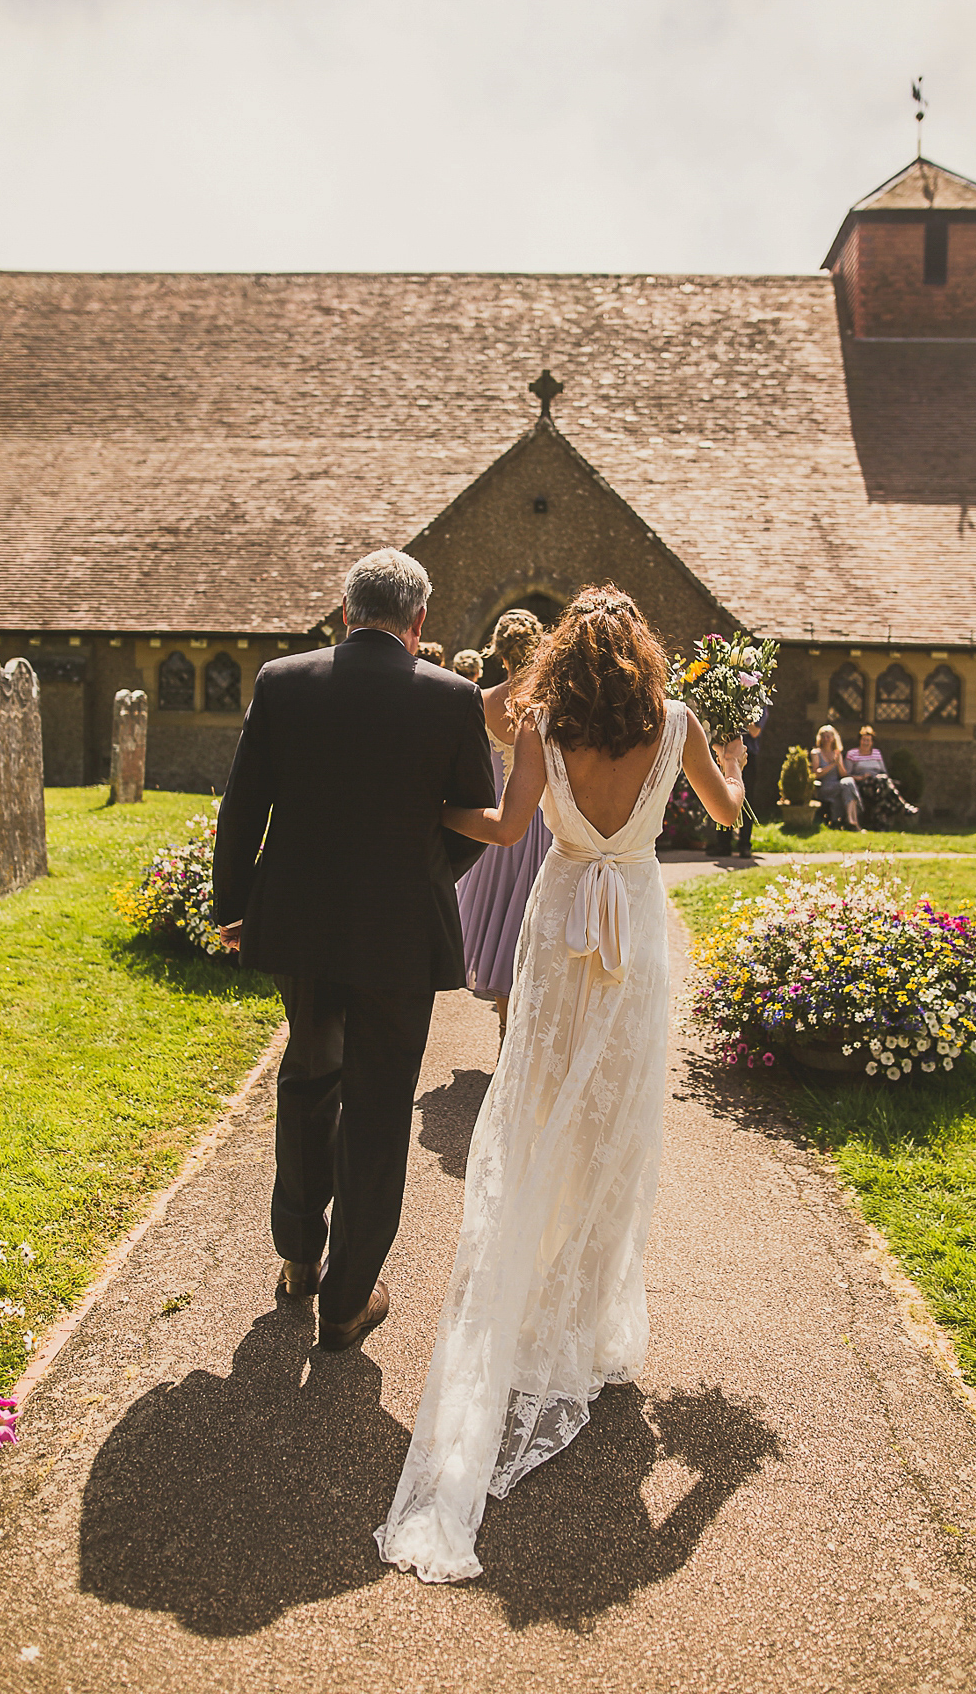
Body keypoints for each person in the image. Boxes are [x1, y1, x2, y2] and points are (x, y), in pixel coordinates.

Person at [376, 585, 746, 1583]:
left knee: (542, 1117)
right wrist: (736, 765)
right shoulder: (677, 724)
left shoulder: (540, 725)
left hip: (560, 927)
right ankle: (584, 1323)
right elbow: (728, 810)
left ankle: (539, 1305)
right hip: (634, 922)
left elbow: (505, 830)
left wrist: (431, 805)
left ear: (561, 664)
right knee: (617, 1128)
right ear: (642, 658)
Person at [212, 550, 494, 1352]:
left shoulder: (282, 682)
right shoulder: (453, 698)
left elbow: (244, 806)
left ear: (344, 613)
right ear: (420, 622)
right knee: (378, 1104)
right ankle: (348, 1296)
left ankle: (300, 1256)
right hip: (401, 931)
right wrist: (428, 873)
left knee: (308, 1074)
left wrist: (237, 906)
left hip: (299, 921)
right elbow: (473, 812)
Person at [456, 609, 552, 1044]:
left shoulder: (480, 700)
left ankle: (504, 1028)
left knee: (502, 928)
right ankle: (532, 1038)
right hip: (545, 828)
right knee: (536, 930)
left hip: (496, 833)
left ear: (497, 651)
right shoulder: (553, 704)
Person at [845, 725, 919, 830]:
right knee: (884, 788)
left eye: (868, 741)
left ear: (872, 742)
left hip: (879, 784)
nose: (866, 743)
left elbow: (884, 771)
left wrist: (880, 778)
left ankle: (879, 824)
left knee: (882, 783)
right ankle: (902, 806)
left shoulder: (876, 753)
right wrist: (862, 777)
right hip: (863, 784)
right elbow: (846, 774)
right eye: (864, 740)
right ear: (860, 741)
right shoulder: (852, 754)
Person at [718, 708, 767, 858]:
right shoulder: (727, 701)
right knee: (722, 794)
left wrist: (738, 716)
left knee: (746, 799)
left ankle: (745, 844)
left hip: (748, 755)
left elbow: (755, 731)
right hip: (725, 754)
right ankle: (723, 844)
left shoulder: (759, 705)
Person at [811, 724, 862, 829]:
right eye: (823, 736)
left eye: (828, 736)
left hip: (838, 786)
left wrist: (838, 763)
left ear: (833, 738)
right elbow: (815, 774)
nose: (826, 739)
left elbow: (843, 775)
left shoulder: (837, 753)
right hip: (824, 787)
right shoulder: (816, 753)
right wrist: (832, 764)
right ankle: (852, 821)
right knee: (848, 785)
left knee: (848, 783)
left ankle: (851, 820)